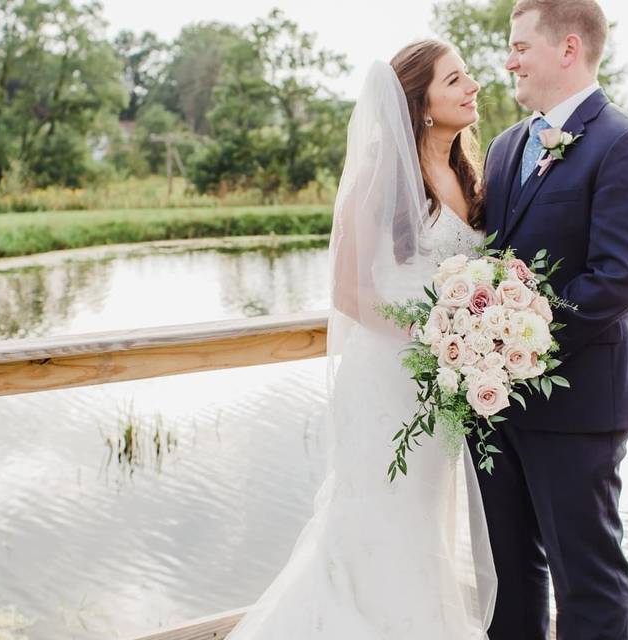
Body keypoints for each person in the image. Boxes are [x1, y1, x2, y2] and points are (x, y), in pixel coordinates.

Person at [228, 40, 498, 639]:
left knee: (427, 520)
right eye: (455, 80)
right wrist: (434, 331)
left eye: (468, 76)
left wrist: (471, 337)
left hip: (442, 381)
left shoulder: (465, 171)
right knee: (380, 515)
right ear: (422, 103)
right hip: (388, 380)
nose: (472, 86)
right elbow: (348, 290)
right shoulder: (380, 170)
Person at [473, 1, 628, 639]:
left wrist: (513, 343)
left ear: (568, 49)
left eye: (520, 46)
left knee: (586, 581)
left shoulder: (626, 143)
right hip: (493, 401)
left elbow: (623, 276)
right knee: (508, 576)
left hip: (579, 406)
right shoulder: (505, 148)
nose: (509, 61)